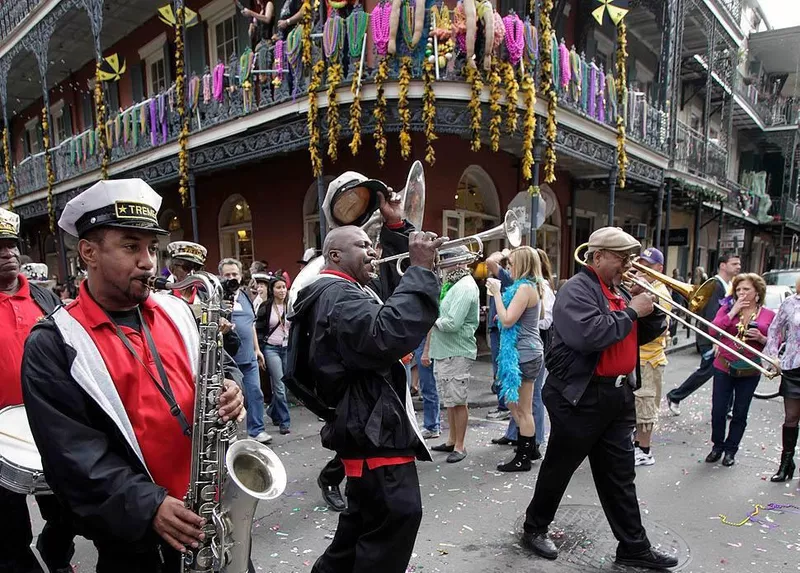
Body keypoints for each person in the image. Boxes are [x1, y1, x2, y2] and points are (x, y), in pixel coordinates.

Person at [21, 179, 246, 572]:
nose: (148, 262)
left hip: (211, 514)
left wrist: (232, 387)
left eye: (151, 248)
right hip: (138, 542)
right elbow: (71, 457)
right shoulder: (53, 342)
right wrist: (150, 505)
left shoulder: (179, 312)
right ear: (89, 252)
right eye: (131, 246)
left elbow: (219, 366)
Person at [290, 171, 443, 573]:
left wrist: (396, 227)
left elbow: (391, 300)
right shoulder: (338, 294)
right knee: (397, 517)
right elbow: (387, 333)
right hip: (373, 425)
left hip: (365, 420)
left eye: (373, 244)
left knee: (363, 520)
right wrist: (422, 270)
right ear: (335, 256)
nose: (373, 252)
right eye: (363, 245)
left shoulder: (343, 290)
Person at [522, 227, 678, 570]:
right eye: (621, 259)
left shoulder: (618, 289)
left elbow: (643, 333)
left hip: (617, 394)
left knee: (620, 476)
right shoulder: (576, 289)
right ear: (597, 257)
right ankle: (534, 527)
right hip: (579, 396)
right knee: (560, 468)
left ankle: (634, 547)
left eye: (629, 259)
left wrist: (652, 310)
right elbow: (590, 335)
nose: (628, 265)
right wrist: (633, 310)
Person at [0, 208, 76, 573]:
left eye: (12, 246)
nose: (8, 254)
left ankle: (55, 551)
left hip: (49, 425)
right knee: (8, 529)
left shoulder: (46, 301)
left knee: (69, 510)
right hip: (1, 435)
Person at [705, 273, 775, 467]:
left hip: (749, 370)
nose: (742, 293)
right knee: (718, 410)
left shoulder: (768, 314)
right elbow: (713, 331)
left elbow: (776, 344)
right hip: (724, 366)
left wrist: (761, 338)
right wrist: (732, 311)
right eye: (738, 290)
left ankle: (730, 450)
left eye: (746, 289)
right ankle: (717, 446)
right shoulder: (727, 307)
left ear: (757, 292)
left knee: (740, 412)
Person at [487, 246, 544, 472]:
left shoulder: (525, 289)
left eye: (511, 263)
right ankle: (530, 447)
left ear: (522, 264)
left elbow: (508, 320)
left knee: (523, 409)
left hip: (525, 354)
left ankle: (523, 457)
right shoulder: (526, 287)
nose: (508, 268)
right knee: (514, 404)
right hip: (522, 352)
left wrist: (497, 295)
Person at [666, 254, 741, 415]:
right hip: (711, 336)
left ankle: (728, 407)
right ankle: (675, 396)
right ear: (722, 266)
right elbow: (711, 314)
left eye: (738, 264)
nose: (738, 267)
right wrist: (716, 339)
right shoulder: (715, 285)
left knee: (727, 370)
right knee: (707, 371)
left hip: (719, 337)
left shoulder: (727, 285)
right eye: (734, 263)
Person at [427, 248, 480, 464]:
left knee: (458, 400)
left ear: (457, 263)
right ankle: (451, 439)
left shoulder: (465, 287)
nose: (441, 266)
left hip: (456, 351)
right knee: (449, 400)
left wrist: (429, 318)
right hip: (445, 351)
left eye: (445, 262)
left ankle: (460, 445)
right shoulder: (453, 285)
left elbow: (452, 323)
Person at [220, 257, 272, 444]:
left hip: (248, 356)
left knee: (255, 392)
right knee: (230, 399)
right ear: (221, 276)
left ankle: (256, 431)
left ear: (241, 275)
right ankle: (230, 433)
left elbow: (251, 324)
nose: (231, 277)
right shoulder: (217, 296)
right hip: (228, 360)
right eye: (227, 274)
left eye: (234, 274)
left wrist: (257, 350)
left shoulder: (244, 296)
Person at [632, 248, 671, 467]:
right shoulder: (645, 288)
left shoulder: (660, 291)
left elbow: (660, 327)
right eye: (640, 264)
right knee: (637, 404)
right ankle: (637, 445)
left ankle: (644, 450)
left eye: (647, 265)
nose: (641, 268)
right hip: (639, 357)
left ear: (659, 268)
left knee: (645, 405)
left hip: (650, 358)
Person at [765, 276, 800, 482]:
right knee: (791, 417)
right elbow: (774, 329)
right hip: (793, 366)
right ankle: (786, 463)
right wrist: (773, 356)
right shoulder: (790, 303)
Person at [254, 273, 292, 434]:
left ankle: (272, 411)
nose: (282, 290)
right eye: (278, 287)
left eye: (284, 287)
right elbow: (258, 329)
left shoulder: (291, 306)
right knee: (280, 386)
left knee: (286, 386)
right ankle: (285, 422)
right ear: (272, 290)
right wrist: (260, 351)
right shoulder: (266, 307)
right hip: (271, 349)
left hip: (287, 348)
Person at [485, 249, 513, 422]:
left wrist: (503, 253)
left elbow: (489, 261)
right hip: (496, 327)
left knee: (500, 368)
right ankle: (503, 405)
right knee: (498, 368)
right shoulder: (505, 278)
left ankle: (503, 407)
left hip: (499, 329)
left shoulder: (507, 277)